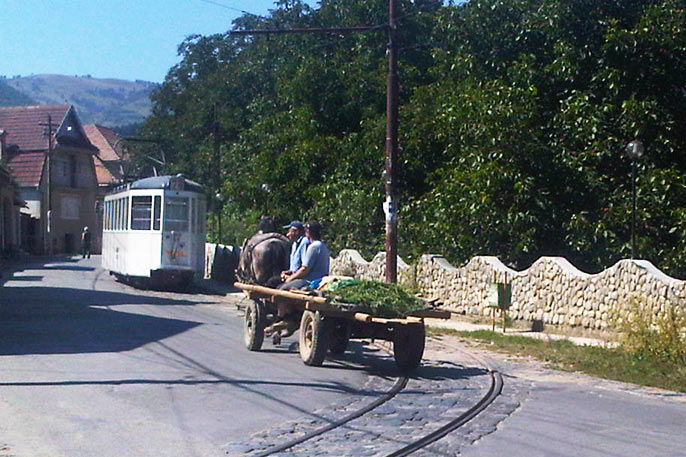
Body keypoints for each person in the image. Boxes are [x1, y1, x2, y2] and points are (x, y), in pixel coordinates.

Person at [281, 220, 329, 290]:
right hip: (318, 279)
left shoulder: (313, 247)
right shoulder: (322, 245)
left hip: (310, 281)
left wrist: (290, 279)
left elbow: (305, 269)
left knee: (282, 289)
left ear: (308, 231)